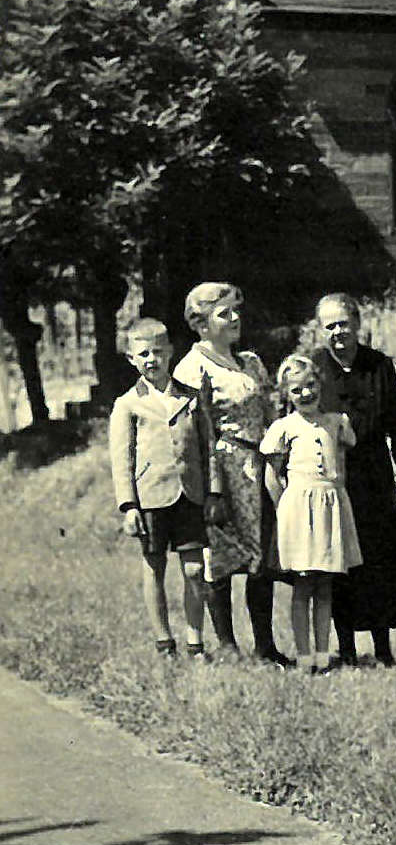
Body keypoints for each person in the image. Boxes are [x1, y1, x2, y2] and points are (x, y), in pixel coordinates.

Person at [312, 293, 396, 666]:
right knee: (339, 564)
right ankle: (347, 651)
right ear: (321, 330)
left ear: (357, 324)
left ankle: (383, 649)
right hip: (331, 478)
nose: (338, 332)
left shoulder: (379, 365)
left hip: (374, 478)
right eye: (330, 325)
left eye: (344, 323)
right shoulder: (314, 367)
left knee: (379, 561)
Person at [174, 282, 291, 666]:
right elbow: (197, 434)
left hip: (260, 469)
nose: (235, 318)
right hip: (221, 470)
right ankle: (226, 644)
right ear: (201, 323)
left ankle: (265, 645)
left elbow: (271, 414)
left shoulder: (252, 362)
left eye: (236, 310)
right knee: (221, 557)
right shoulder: (193, 369)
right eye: (224, 313)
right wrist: (212, 489)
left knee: (262, 559)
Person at [109, 318, 209, 659]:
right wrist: (128, 505)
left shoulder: (191, 398)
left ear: (170, 353)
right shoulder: (127, 404)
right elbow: (121, 458)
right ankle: (164, 642)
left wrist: (212, 492)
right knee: (154, 566)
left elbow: (206, 449)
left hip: (190, 494)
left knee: (195, 569)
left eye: (157, 352)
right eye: (143, 354)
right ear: (131, 359)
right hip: (151, 496)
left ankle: (195, 642)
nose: (151, 360)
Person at [261, 354, 362, 674]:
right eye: (296, 390)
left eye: (310, 386)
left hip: (330, 505)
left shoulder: (336, 422)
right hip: (298, 510)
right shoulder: (284, 428)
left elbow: (341, 462)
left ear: (320, 385)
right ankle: (303, 655)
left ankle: (322, 653)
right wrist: (285, 511)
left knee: (325, 583)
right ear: (286, 395)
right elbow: (271, 476)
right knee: (303, 582)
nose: (305, 394)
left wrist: (338, 496)